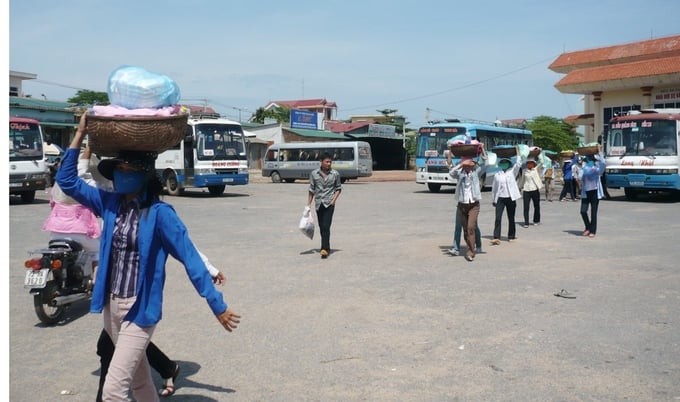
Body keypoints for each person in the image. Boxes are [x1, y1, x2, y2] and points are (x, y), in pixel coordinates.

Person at [56, 114, 240, 402]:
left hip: (139, 311)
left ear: (144, 175)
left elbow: (191, 260)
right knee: (142, 385)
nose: (121, 174)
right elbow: (67, 181)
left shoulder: (161, 215)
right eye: (118, 168)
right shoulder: (109, 203)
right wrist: (78, 135)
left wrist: (217, 304)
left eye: (128, 169)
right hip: (111, 307)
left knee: (113, 392)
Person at [96, 254, 226, 400]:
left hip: (137, 298)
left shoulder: (150, 230)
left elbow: (182, 244)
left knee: (111, 359)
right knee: (136, 376)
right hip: (113, 298)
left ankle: (167, 368)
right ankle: (167, 368)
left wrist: (209, 270)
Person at [42, 148, 100, 278]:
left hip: (55, 234)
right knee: (97, 252)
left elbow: (52, 205)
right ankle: (96, 282)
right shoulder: (85, 187)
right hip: (80, 232)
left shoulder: (57, 186)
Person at [448, 146, 486, 262]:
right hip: (462, 205)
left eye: (469, 166)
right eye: (466, 166)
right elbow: (451, 172)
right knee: (465, 229)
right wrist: (461, 164)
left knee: (471, 227)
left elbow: (486, 162)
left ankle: (471, 252)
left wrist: (482, 149)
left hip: (474, 205)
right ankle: (471, 246)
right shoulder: (460, 174)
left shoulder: (476, 173)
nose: (468, 167)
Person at [307, 152, 342, 259]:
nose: (329, 164)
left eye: (330, 162)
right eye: (327, 162)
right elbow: (311, 190)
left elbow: (338, 188)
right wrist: (308, 204)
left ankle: (324, 249)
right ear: (321, 162)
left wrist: (334, 201)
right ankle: (327, 246)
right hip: (319, 204)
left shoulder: (335, 174)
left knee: (326, 226)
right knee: (322, 227)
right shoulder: (314, 174)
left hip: (329, 204)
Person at [490, 153, 522, 245]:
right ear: (500, 165)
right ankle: (496, 237)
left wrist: (518, 154)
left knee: (511, 217)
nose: (504, 164)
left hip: (511, 198)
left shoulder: (512, 172)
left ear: (508, 164)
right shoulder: (497, 175)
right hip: (500, 198)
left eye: (506, 162)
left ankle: (511, 235)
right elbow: (494, 188)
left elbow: (518, 164)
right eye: (502, 163)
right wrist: (494, 200)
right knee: (498, 217)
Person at [578, 148, 606, 238]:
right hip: (585, 193)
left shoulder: (597, 169)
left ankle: (592, 231)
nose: (589, 161)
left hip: (595, 193)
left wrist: (600, 153)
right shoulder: (584, 168)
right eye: (588, 160)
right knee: (583, 211)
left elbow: (604, 164)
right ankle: (588, 227)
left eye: (591, 159)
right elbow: (579, 177)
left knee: (593, 213)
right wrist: (583, 168)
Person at [518, 157, 543, 227]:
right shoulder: (524, 171)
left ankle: (536, 220)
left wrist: (540, 153)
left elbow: (542, 162)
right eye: (528, 163)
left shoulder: (536, 170)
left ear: (534, 164)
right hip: (526, 190)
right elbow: (522, 180)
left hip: (535, 189)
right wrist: (519, 188)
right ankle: (526, 222)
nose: (530, 164)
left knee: (536, 206)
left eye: (531, 163)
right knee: (526, 207)